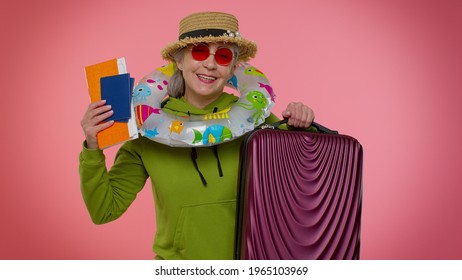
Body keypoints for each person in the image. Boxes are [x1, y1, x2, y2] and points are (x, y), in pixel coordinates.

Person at [79, 11, 315, 260]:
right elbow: (104, 210)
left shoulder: (256, 121)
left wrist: (303, 125)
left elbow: (304, 185)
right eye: (200, 52)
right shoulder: (148, 129)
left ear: (233, 68)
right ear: (179, 62)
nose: (210, 65)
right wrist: (92, 149)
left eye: (223, 56)